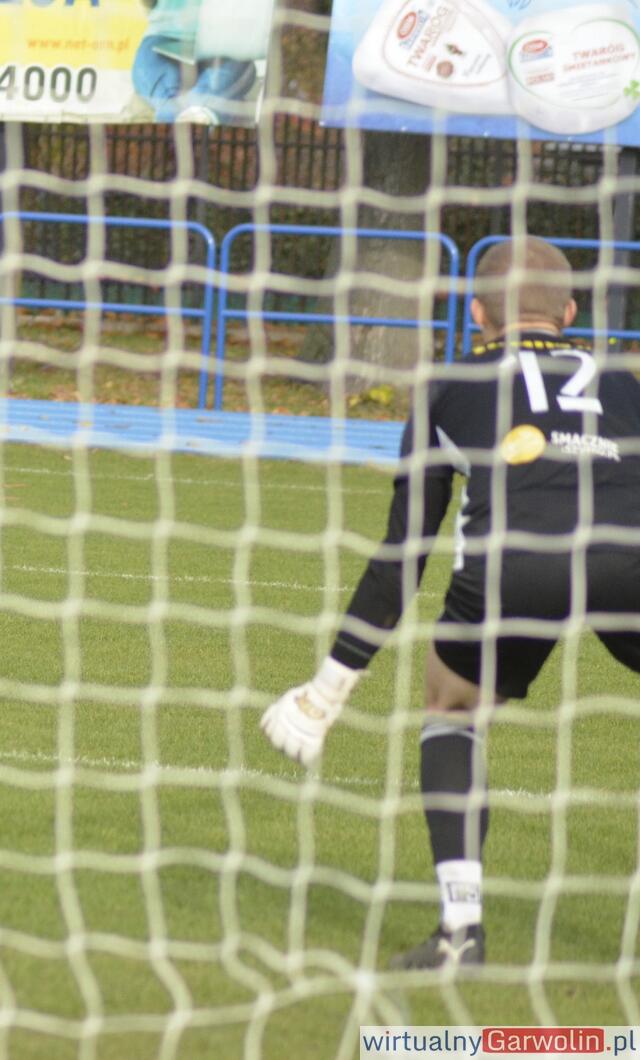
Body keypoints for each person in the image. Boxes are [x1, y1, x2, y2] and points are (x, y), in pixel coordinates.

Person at [260, 237, 640, 970]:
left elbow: (405, 551)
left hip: (514, 567)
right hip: (631, 561)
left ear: (475, 314)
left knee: (452, 709)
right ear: (569, 312)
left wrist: (324, 693)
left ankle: (461, 931)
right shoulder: (626, 383)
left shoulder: (446, 386)